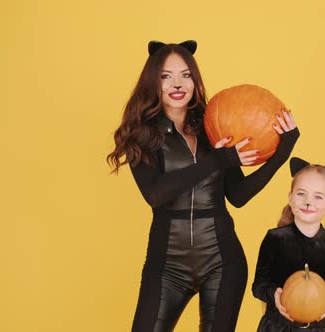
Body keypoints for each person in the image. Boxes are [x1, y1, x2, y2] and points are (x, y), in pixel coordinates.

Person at [107, 40, 300, 332]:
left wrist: (281, 153)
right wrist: (215, 161)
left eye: (186, 75)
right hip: (167, 267)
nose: (177, 83)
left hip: (223, 263)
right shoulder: (141, 133)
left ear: (195, 80)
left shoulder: (215, 122)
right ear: (153, 82)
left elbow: (237, 196)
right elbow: (156, 194)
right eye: (166, 76)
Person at [252, 157, 325, 331]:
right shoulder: (275, 238)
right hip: (276, 327)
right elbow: (259, 286)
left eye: (318, 197)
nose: (308, 202)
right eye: (301, 194)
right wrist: (275, 294)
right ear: (290, 197)